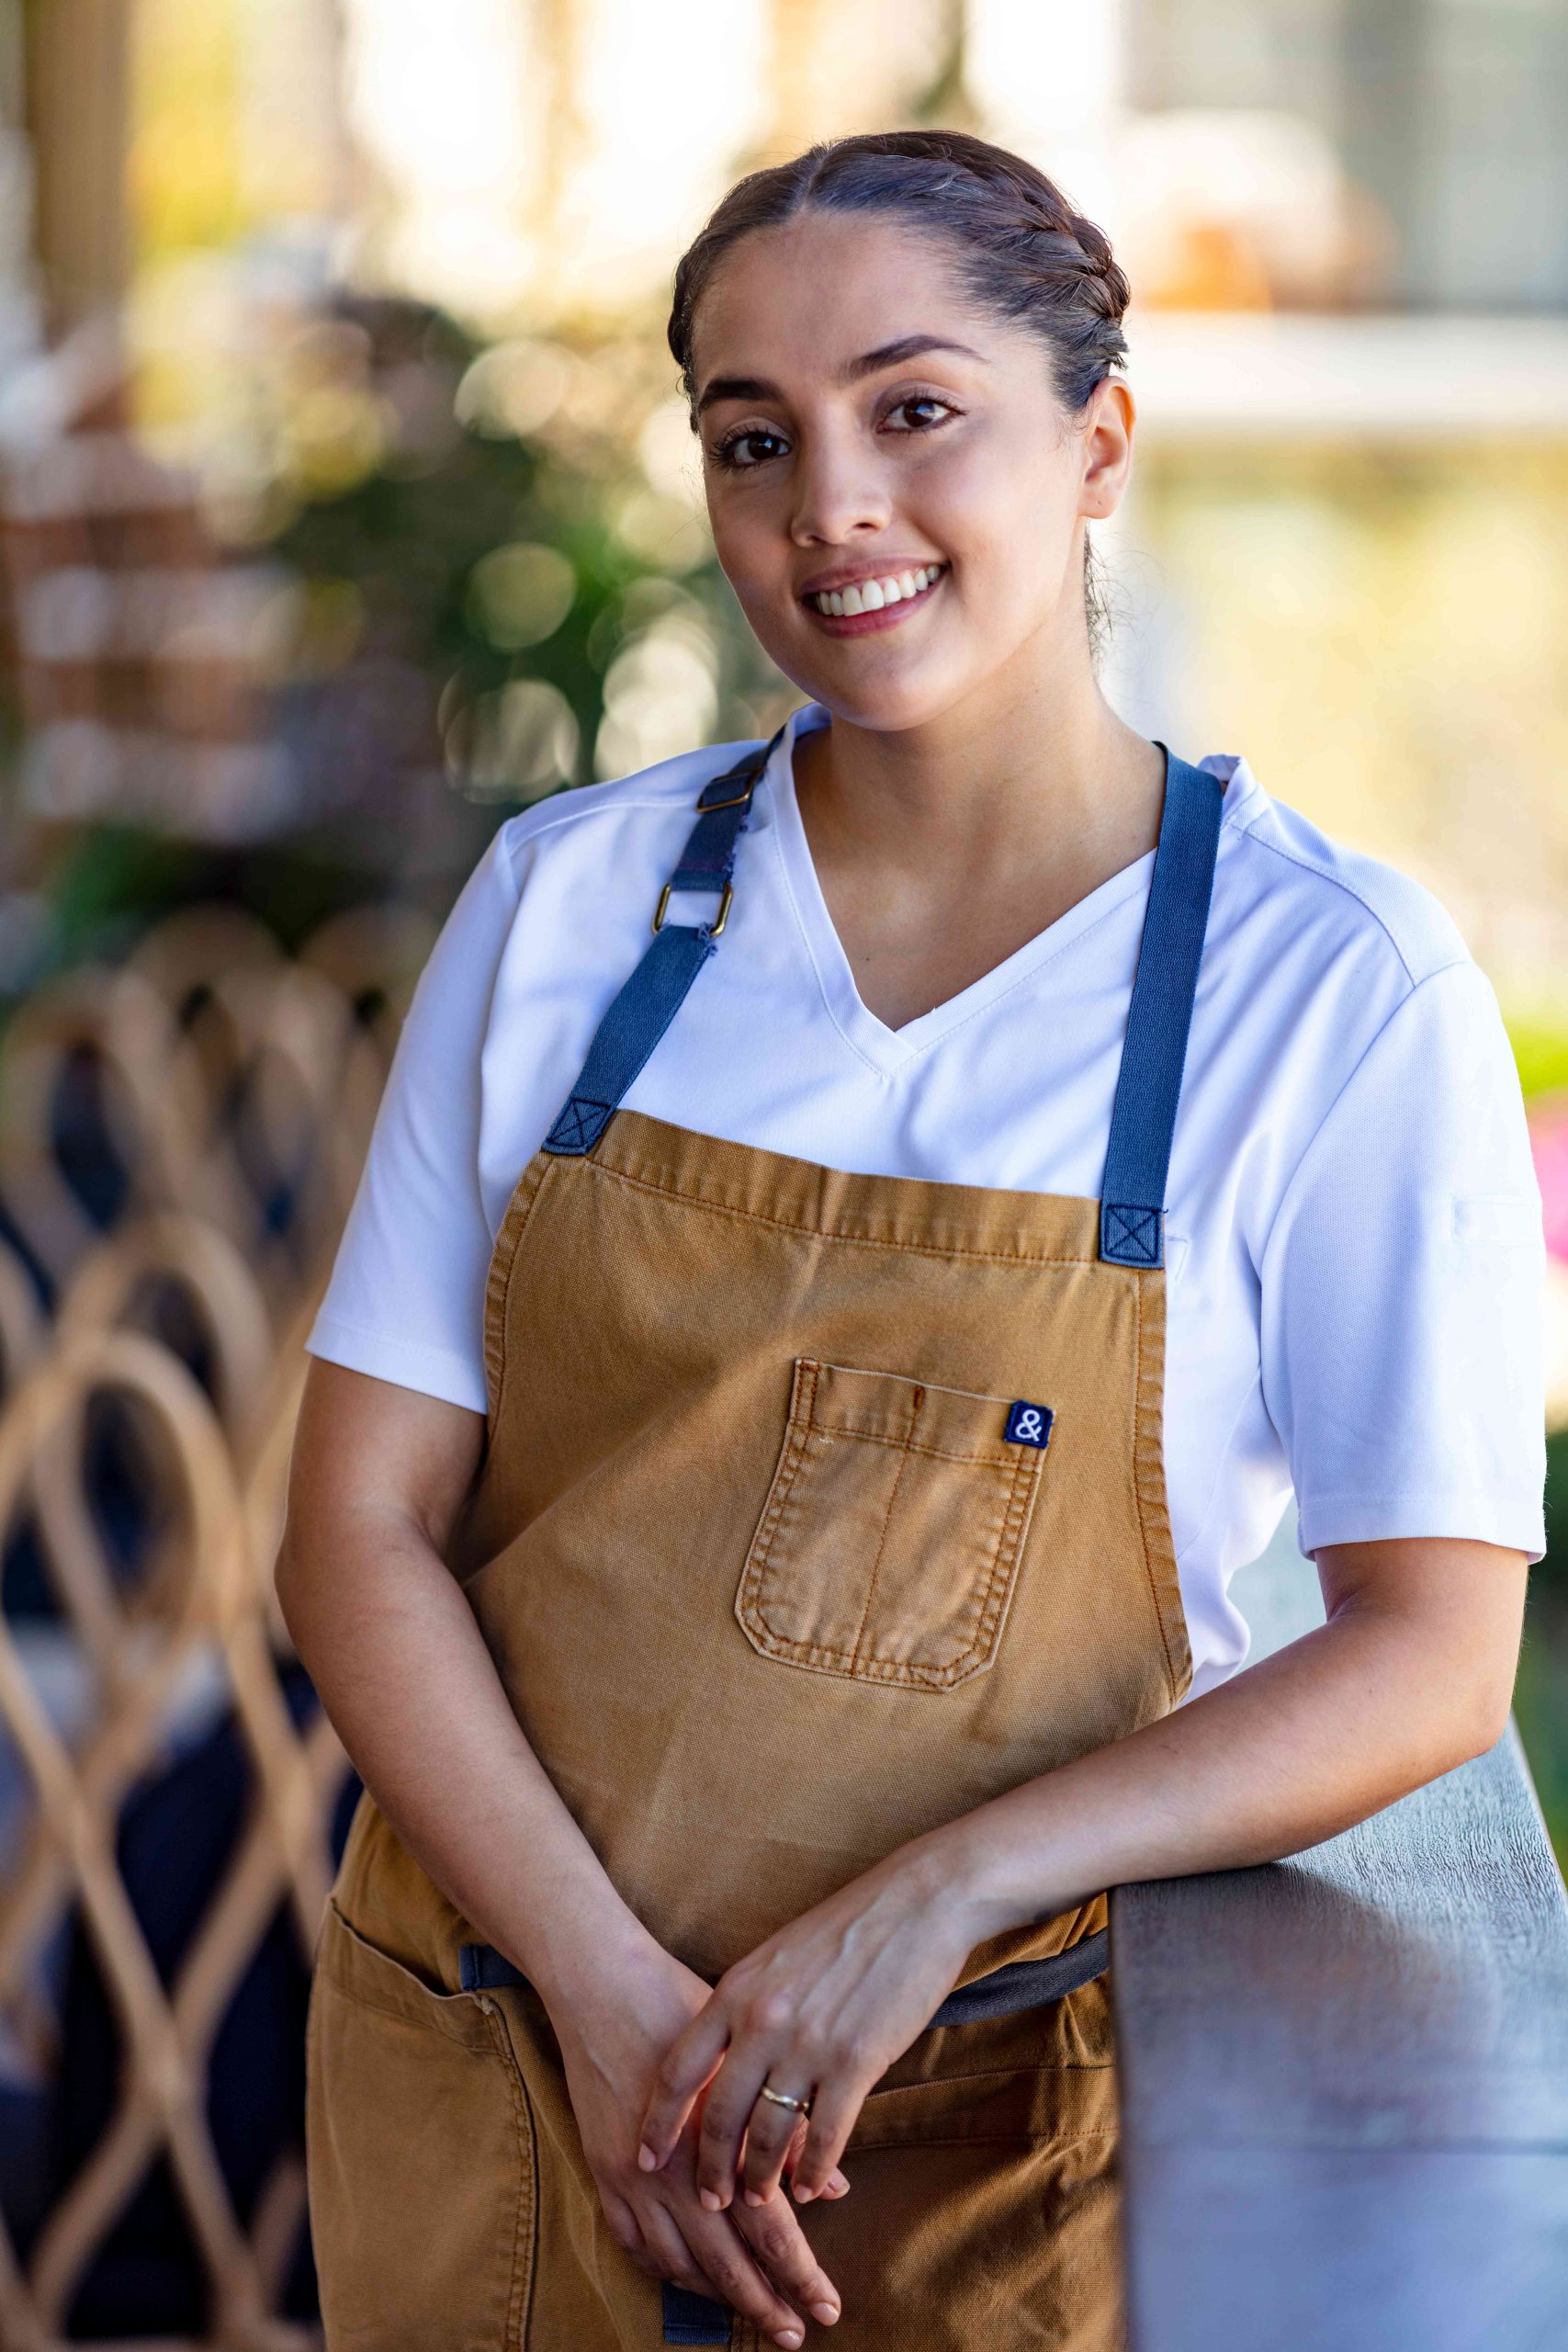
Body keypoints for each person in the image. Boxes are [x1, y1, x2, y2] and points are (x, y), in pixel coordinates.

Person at [276, 129, 1545, 2352]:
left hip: (960, 2155)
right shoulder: (567, 908)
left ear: (1097, 443)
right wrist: (601, 1997)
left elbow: (1428, 1647)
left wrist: (932, 1890)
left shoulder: (1325, 990)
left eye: (913, 408)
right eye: (749, 438)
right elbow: (356, 1526)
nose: (827, 504)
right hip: (497, 2073)